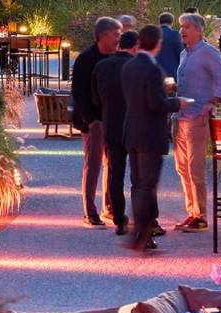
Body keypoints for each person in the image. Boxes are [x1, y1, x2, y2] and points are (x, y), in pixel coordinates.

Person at [121, 25, 185, 252]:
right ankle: (141, 234)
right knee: (147, 186)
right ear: (158, 43)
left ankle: (140, 232)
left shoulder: (129, 66)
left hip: (132, 131)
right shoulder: (153, 70)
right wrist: (178, 102)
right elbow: (155, 104)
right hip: (150, 133)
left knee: (138, 183)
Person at [174, 13, 221, 232]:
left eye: (187, 27)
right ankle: (192, 212)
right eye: (181, 27)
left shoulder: (208, 52)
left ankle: (200, 216)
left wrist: (214, 101)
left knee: (195, 167)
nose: (182, 31)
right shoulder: (184, 54)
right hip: (180, 117)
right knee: (182, 168)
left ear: (199, 30)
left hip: (197, 118)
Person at [72, 17, 121, 227]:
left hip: (113, 118)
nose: (119, 38)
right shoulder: (86, 58)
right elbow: (79, 92)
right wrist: (90, 120)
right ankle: (90, 212)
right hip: (93, 119)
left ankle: (109, 207)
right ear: (103, 35)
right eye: (116, 34)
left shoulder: (117, 57)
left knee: (113, 164)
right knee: (93, 166)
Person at [91, 31, 139, 236]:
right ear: (136, 46)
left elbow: (95, 98)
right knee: (139, 177)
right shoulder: (137, 67)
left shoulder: (102, 67)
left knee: (115, 174)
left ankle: (119, 218)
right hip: (135, 127)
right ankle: (143, 218)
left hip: (111, 125)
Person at [156, 12, 183, 79]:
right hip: (171, 72)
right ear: (172, 22)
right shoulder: (175, 35)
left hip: (153, 71)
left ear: (159, 21)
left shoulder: (151, 33)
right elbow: (181, 53)